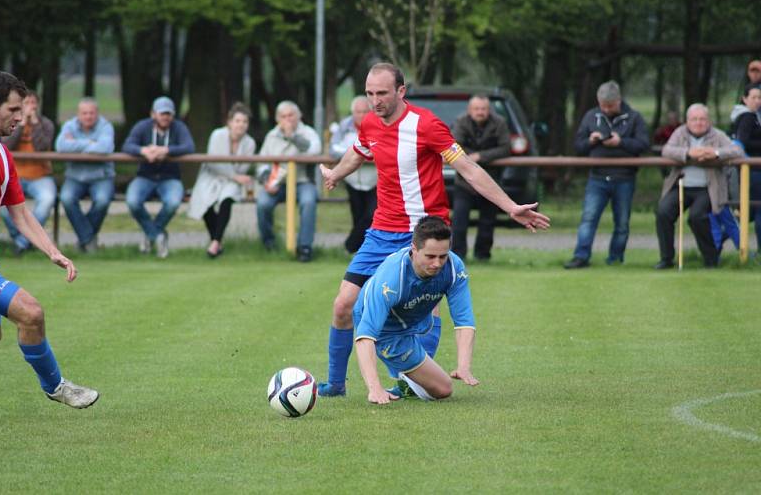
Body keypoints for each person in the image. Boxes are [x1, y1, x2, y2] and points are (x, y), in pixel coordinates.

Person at [317, 62, 550, 397]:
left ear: (401, 91)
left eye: (382, 93)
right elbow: (359, 153)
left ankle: (410, 382)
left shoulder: (426, 125)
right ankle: (336, 385)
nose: (375, 100)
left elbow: (468, 168)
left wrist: (510, 206)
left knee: (422, 309)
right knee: (343, 305)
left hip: (422, 233)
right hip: (381, 230)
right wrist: (336, 175)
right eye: (369, 93)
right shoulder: (369, 123)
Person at [0, 70, 98, 408]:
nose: (20, 118)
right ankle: (57, 386)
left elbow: (21, 214)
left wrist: (53, 251)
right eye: (13, 110)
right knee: (31, 312)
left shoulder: (5, 158)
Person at [354, 216, 478, 404]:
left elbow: (464, 321)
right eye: (430, 256)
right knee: (444, 389)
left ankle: (409, 377)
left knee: (442, 388)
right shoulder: (392, 278)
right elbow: (365, 337)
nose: (437, 263)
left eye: (442, 256)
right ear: (414, 248)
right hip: (387, 330)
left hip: (415, 316)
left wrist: (463, 366)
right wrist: (375, 389)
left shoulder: (454, 267)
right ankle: (405, 375)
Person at [564, 81, 649, 269]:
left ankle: (615, 259)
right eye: (603, 105)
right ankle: (581, 256)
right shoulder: (591, 116)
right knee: (588, 219)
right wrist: (591, 141)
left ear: (619, 100)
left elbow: (643, 144)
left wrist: (621, 142)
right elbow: (578, 146)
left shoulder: (634, 117)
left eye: (610, 106)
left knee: (622, 223)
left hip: (624, 178)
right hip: (597, 177)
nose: (606, 109)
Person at [654, 104, 744, 269]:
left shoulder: (717, 135)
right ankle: (666, 259)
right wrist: (688, 153)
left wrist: (715, 153)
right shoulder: (679, 133)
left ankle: (711, 259)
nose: (698, 123)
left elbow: (736, 150)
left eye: (702, 119)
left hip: (707, 187)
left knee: (697, 216)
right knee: (663, 212)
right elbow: (667, 150)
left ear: (708, 121)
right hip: (681, 184)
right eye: (694, 119)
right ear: (687, 121)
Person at [122, 96, 195, 259]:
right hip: (145, 176)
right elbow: (127, 145)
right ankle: (158, 235)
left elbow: (189, 146)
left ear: (173, 115)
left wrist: (166, 150)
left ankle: (150, 233)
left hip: (170, 177)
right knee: (133, 201)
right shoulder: (142, 127)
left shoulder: (179, 127)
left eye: (168, 114)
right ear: (153, 114)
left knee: (173, 202)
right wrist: (143, 151)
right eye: (162, 113)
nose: (165, 117)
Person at [255, 100, 322, 262]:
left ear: (299, 116)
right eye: (283, 116)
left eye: (291, 115)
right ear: (277, 119)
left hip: (303, 181)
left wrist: (292, 136)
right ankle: (269, 244)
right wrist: (266, 181)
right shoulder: (271, 136)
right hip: (278, 183)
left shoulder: (308, 132)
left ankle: (304, 247)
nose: (287, 119)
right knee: (262, 203)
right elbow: (261, 164)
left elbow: (314, 151)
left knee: (308, 202)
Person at [188, 102, 256, 258]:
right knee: (205, 201)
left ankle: (215, 242)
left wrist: (234, 177)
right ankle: (216, 240)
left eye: (245, 122)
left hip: (233, 180)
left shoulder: (249, 143)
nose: (241, 125)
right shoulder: (217, 135)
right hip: (211, 175)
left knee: (227, 198)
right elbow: (214, 162)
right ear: (230, 122)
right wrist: (234, 176)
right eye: (238, 121)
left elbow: (243, 169)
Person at [450, 94, 511, 261]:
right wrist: (472, 156)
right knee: (459, 223)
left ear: (488, 110)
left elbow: (506, 148)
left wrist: (481, 156)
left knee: (487, 223)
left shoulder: (499, 122)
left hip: (490, 182)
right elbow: (454, 145)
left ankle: (483, 256)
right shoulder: (461, 121)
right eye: (476, 109)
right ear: (470, 110)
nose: (480, 112)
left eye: (483, 109)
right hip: (464, 182)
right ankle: (457, 256)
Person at [0, 90, 56, 254]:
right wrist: (22, 124)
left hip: (40, 176)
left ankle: (22, 242)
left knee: (47, 199)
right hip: (13, 176)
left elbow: (42, 147)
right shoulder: (10, 123)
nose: (30, 107)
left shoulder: (46, 124)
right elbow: (7, 146)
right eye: (26, 103)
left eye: (33, 103)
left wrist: (35, 124)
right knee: (3, 206)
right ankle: (27, 241)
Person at [56, 97, 115, 253]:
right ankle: (89, 240)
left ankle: (84, 240)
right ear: (78, 114)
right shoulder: (69, 125)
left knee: (102, 200)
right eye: (84, 113)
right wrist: (90, 143)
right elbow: (61, 146)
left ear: (97, 114)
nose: (88, 116)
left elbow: (105, 148)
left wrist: (75, 143)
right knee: (66, 198)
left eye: (91, 113)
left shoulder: (106, 126)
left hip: (101, 176)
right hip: (75, 176)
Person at [329, 96, 376, 253]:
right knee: (358, 217)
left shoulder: (379, 124)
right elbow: (333, 149)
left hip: (375, 180)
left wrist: (355, 152)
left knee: (371, 215)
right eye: (358, 112)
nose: (361, 115)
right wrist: (356, 152)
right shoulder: (344, 126)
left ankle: (349, 246)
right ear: (352, 112)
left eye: (365, 111)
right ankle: (362, 253)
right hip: (352, 180)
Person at [732, 85, 761, 251]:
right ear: (744, 99)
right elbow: (742, 142)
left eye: (760, 98)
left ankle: (717, 240)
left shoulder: (751, 116)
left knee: (747, 213)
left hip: (752, 170)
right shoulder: (747, 117)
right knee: (758, 210)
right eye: (754, 97)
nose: (757, 101)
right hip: (754, 170)